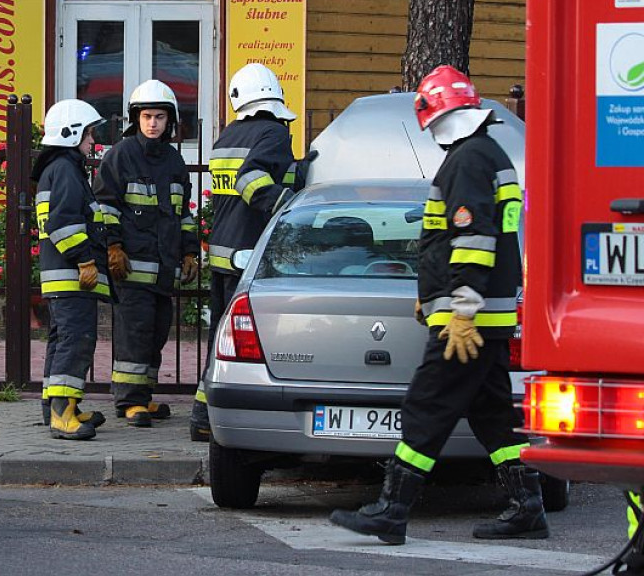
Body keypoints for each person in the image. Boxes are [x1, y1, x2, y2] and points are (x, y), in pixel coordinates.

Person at [330, 65, 548, 544]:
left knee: (426, 406)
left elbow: (472, 239)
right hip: (483, 312)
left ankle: (392, 509)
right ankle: (528, 505)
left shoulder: (468, 160)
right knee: (492, 413)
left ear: (434, 117)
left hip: (465, 320)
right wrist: (429, 294)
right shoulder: (490, 154)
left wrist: (460, 307)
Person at [189, 62, 315, 442]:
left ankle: (201, 414)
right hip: (248, 251)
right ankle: (214, 416)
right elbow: (252, 179)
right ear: (275, 98)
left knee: (219, 337)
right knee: (241, 342)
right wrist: (287, 205)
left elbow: (254, 175)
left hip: (223, 250)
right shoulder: (273, 132)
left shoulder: (228, 135)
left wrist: (300, 170)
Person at [93, 80, 199, 427]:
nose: (153, 123)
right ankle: (129, 402)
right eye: (147, 116)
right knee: (134, 335)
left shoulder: (173, 161)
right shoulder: (120, 156)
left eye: (159, 117)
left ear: (170, 121)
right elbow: (105, 207)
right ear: (135, 119)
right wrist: (112, 247)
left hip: (164, 272)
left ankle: (145, 396)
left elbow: (183, 214)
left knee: (155, 334)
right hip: (132, 270)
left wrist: (189, 253)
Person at [32, 99, 110, 440]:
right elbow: (64, 223)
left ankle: (57, 407)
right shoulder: (65, 169)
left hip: (59, 275)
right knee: (76, 340)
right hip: (71, 275)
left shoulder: (58, 169)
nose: (93, 142)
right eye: (89, 134)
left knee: (61, 339)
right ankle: (64, 415)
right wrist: (85, 259)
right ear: (72, 133)